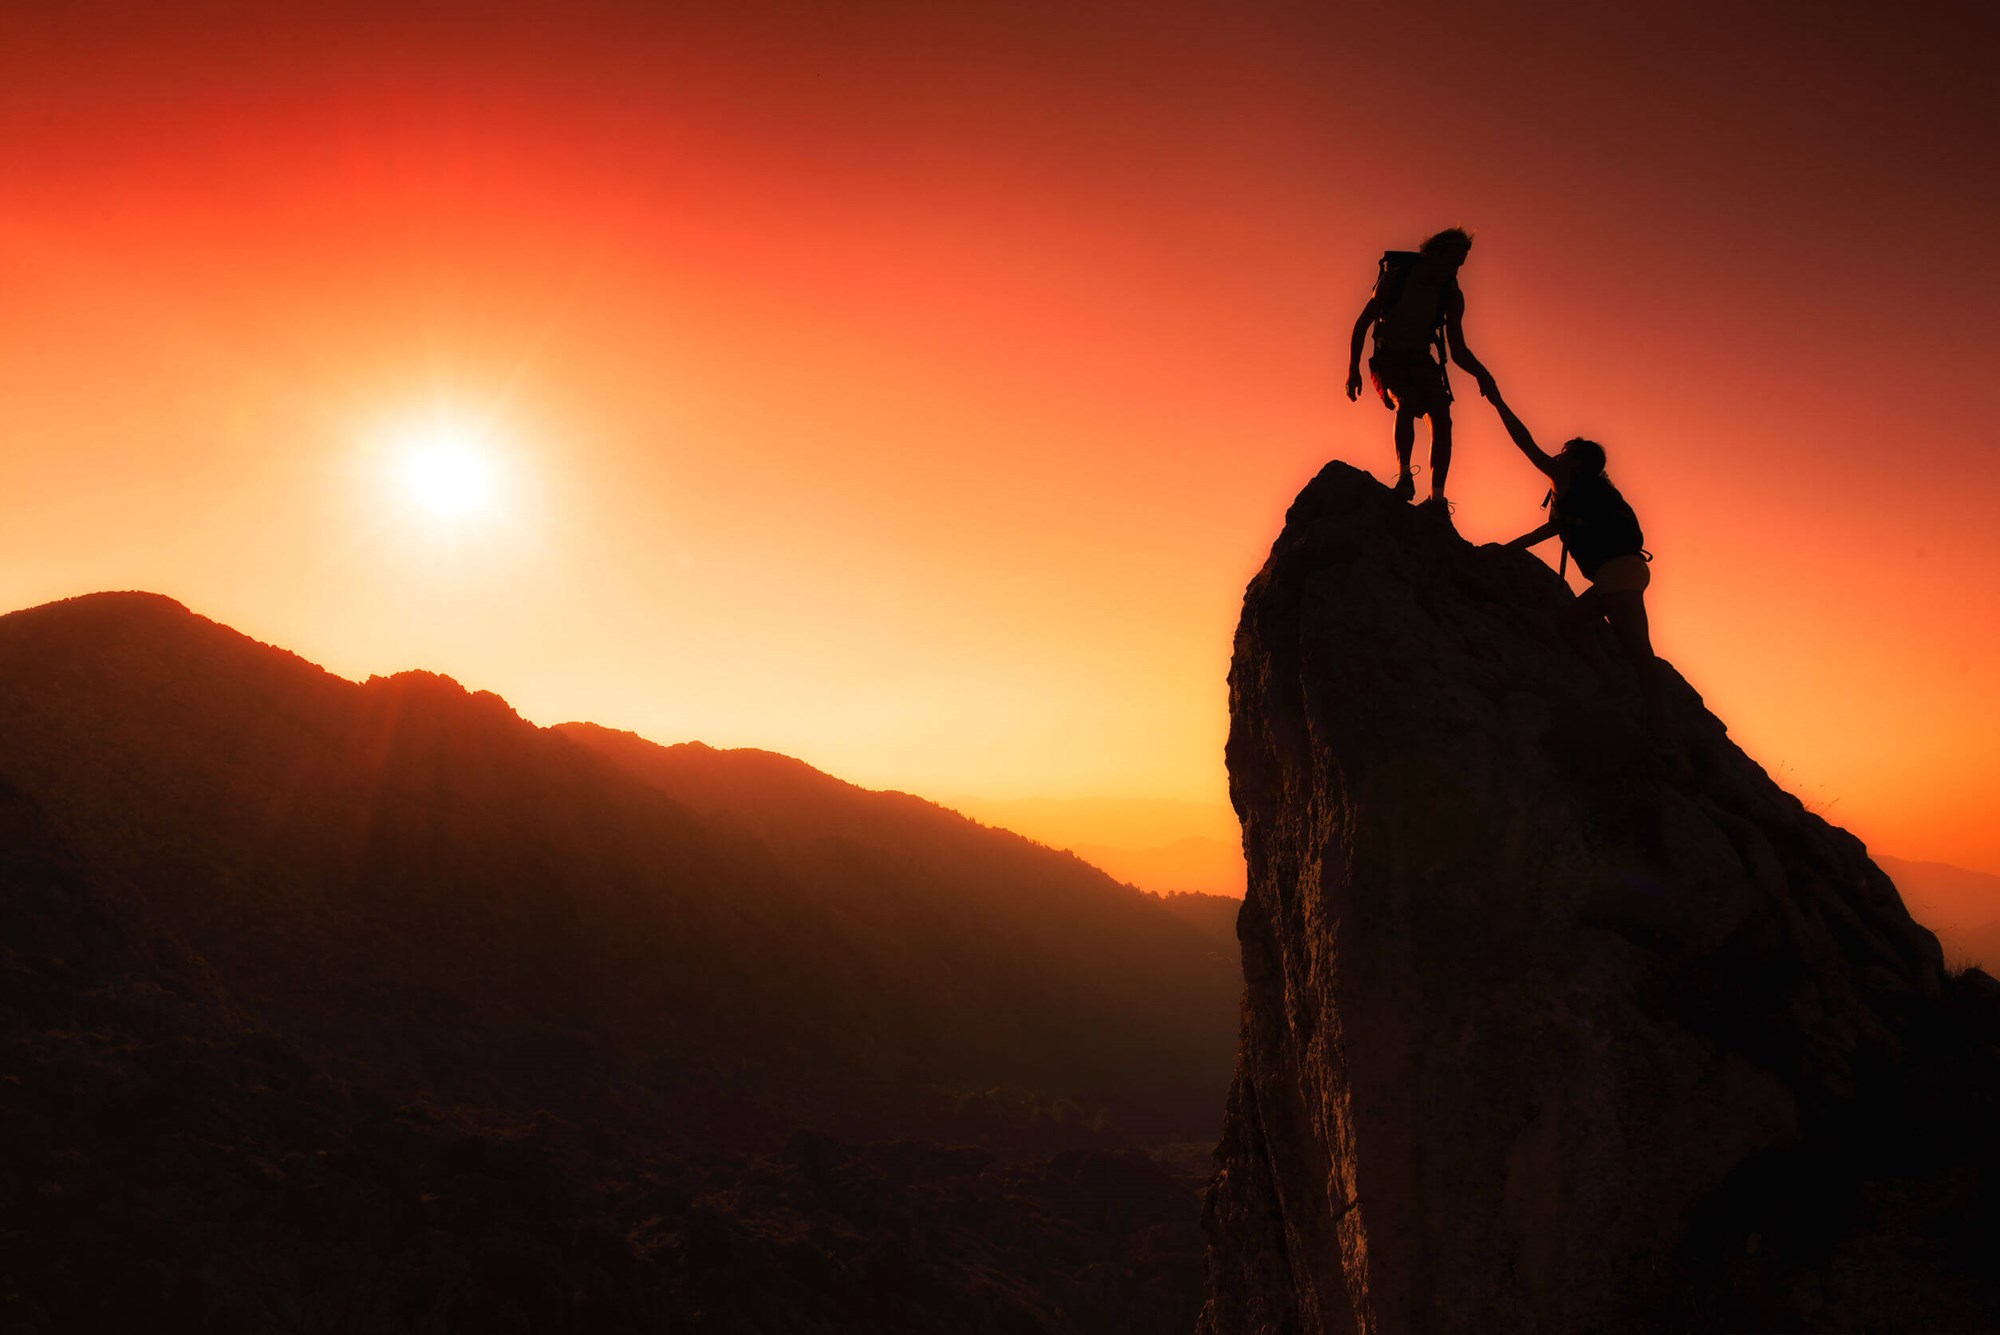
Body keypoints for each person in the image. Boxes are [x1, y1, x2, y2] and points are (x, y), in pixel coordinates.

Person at [1488, 388, 1665, 735]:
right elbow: (1551, 529)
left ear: (1578, 463)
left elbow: (1526, 445)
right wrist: (1505, 550)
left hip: (1618, 572)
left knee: (1639, 651)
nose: (1558, 455)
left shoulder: (1570, 482)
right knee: (1569, 622)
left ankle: (1658, 723)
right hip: (1624, 571)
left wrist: (1496, 400)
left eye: (1566, 453)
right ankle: (1614, 683)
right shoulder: (1591, 493)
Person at [1345, 227, 1497, 511]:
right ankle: (1404, 476)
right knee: (1406, 402)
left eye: (1459, 265)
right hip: (1389, 357)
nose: (1455, 270)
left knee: (1442, 418)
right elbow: (1363, 323)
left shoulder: (1450, 294)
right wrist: (1353, 369)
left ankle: (1437, 499)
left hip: (1421, 360)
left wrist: (1483, 375)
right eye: (1451, 262)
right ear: (1434, 255)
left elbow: (1459, 349)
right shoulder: (1397, 279)